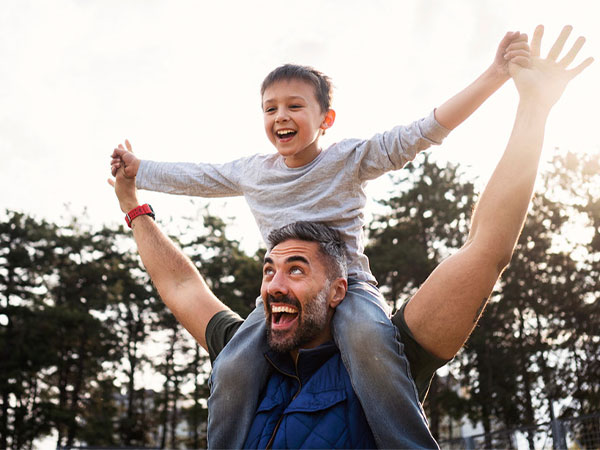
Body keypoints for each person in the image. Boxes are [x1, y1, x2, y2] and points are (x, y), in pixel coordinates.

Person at [109, 24, 592, 448]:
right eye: (270, 108)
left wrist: (498, 80)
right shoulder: (253, 176)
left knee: (367, 339)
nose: (281, 116)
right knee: (233, 365)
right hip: (272, 328)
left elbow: (424, 134)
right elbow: (195, 198)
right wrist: (138, 179)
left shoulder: (348, 161)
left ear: (326, 119)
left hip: (357, 287)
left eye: (295, 106)